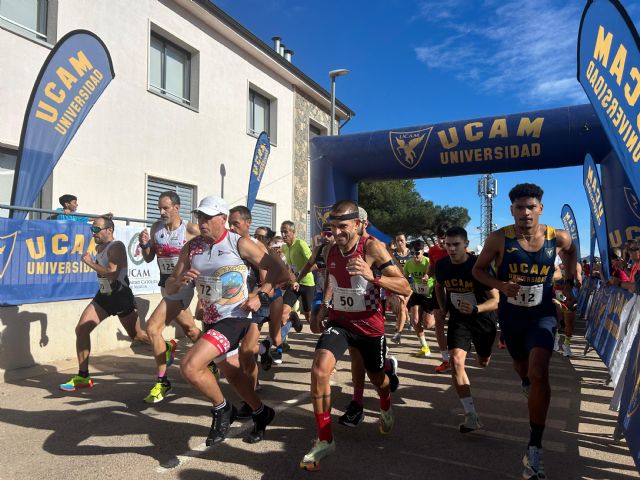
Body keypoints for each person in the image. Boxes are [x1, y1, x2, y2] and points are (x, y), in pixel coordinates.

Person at [472, 183, 578, 480]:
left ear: (540, 209)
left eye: (531, 207)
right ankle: (524, 381)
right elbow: (478, 271)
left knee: (540, 372)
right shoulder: (499, 239)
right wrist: (501, 286)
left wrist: (573, 272)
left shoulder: (557, 236)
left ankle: (534, 447)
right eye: (520, 208)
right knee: (522, 366)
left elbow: (571, 250)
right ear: (512, 211)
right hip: (512, 316)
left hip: (543, 314)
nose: (525, 213)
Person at [167, 196, 288, 445]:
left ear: (222, 219)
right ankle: (261, 412)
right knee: (233, 375)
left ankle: (223, 410)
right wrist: (180, 281)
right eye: (199, 217)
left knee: (190, 366)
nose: (202, 222)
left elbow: (281, 272)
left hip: (237, 317)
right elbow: (170, 285)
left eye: (208, 217)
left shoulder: (239, 243)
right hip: (212, 319)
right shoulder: (192, 248)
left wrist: (261, 295)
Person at [300, 200, 411, 471]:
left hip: (370, 328)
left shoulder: (372, 247)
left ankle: (385, 405)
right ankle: (325, 439)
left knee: (379, 380)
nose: (336, 233)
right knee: (319, 370)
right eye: (332, 227)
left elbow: (405, 287)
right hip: (340, 322)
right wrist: (323, 308)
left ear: (359, 225)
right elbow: (331, 280)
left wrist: (373, 276)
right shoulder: (328, 250)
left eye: (343, 227)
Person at [59, 216, 150, 391]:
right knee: (82, 329)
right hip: (104, 295)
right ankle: (83, 376)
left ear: (109, 230)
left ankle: (165, 347)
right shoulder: (99, 246)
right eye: (92, 230)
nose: (93, 233)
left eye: (97, 229)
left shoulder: (117, 247)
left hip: (120, 295)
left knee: (137, 335)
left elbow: (112, 273)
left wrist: (90, 263)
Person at [138, 191, 201, 403]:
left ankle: (163, 381)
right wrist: (145, 245)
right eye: (159, 208)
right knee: (190, 329)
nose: (162, 212)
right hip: (167, 286)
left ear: (176, 207)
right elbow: (148, 259)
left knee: (153, 328)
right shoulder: (156, 228)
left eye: (165, 208)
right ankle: (213, 357)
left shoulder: (191, 229)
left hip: (183, 287)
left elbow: (209, 250)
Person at [435, 226, 499, 433]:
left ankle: (482, 355)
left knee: (483, 362)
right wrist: (443, 307)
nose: (452, 249)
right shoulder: (442, 265)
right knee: (455, 360)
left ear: (466, 245)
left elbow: (496, 300)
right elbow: (438, 286)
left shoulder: (478, 267)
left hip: (483, 319)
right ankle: (471, 414)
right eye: (448, 245)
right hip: (458, 320)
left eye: (456, 245)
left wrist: (476, 309)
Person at [277, 220, 311, 360]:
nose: (284, 234)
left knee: (310, 319)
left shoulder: (301, 244)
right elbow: (282, 263)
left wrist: (299, 275)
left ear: (293, 232)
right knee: (282, 313)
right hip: (294, 284)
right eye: (282, 232)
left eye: (286, 231)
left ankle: (294, 318)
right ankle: (279, 347)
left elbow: (312, 264)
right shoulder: (284, 248)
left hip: (307, 284)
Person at [404, 239, 437, 358]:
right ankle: (425, 347)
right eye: (412, 253)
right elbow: (404, 278)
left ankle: (437, 320)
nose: (415, 256)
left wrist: (429, 281)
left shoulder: (429, 262)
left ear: (423, 252)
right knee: (415, 321)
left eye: (417, 253)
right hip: (417, 293)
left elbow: (438, 279)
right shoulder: (409, 264)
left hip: (429, 294)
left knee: (428, 325)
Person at [427, 223, 452, 373]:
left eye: (444, 238)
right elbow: (431, 267)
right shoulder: (432, 250)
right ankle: (446, 360)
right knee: (438, 325)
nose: (441, 242)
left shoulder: (458, 249)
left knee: (456, 325)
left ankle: (457, 357)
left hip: (456, 290)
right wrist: (427, 275)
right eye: (439, 238)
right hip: (438, 289)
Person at [389, 232, 412, 344]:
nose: (399, 242)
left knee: (402, 307)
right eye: (397, 240)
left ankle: (398, 333)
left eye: (402, 240)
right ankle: (407, 320)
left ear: (406, 241)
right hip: (397, 285)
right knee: (397, 310)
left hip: (410, 285)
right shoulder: (393, 255)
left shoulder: (412, 254)